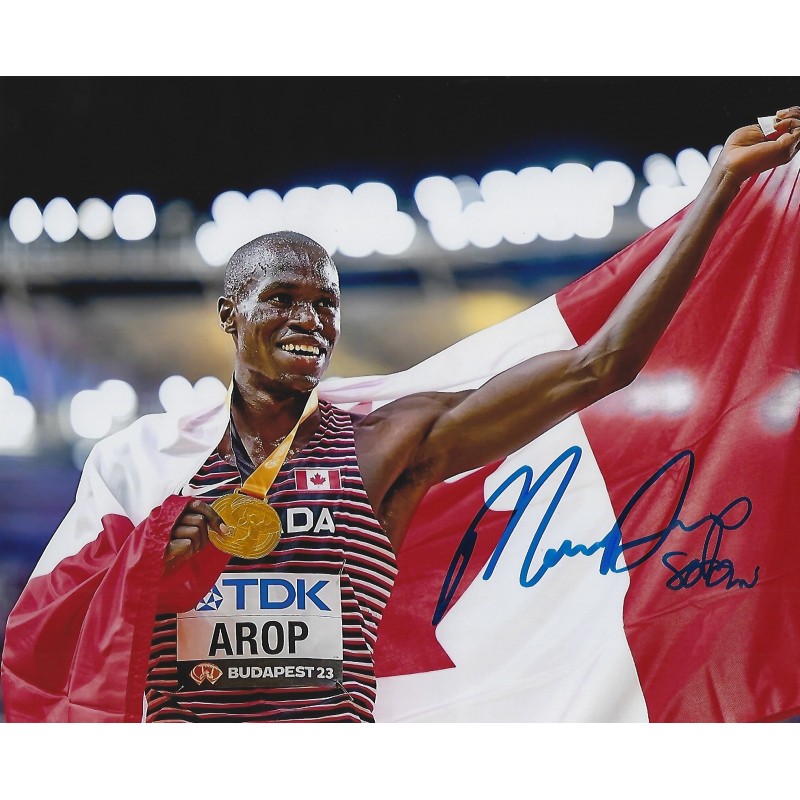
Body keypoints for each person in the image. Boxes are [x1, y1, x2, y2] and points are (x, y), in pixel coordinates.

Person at [3, 109, 800, 723]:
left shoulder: (387, 444)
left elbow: (602, 364)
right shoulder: (148, 463)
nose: (308, 319)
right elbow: (48, 636)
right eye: (281, 299)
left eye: (326, 304)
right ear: (228, 315)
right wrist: (150, 557)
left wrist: (720, 190)